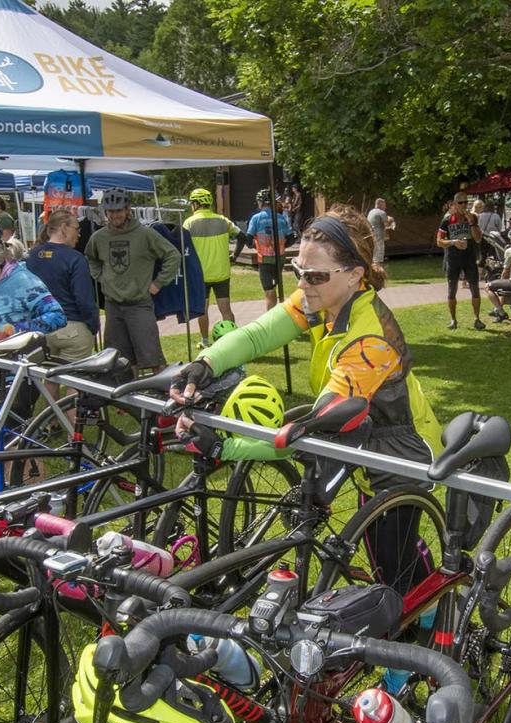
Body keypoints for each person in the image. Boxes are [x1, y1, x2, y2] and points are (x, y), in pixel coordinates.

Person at [169, 205, 441, 593]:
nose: (303, 284)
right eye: (297, 271)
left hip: (399, 447)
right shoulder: (322, 298)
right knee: (375, 548)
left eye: (314, 275)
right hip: (359, 431)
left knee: (392, 551)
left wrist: (228, 447)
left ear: (355, 275)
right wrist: (206, 364)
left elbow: (313, 432)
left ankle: (433, 617)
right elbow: (258, 334)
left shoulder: (370, 340)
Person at [84, 188, 181, 375]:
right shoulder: (99, 237)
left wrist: (157, 284)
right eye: (111, 211)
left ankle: (160, 396)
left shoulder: (144, 234)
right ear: (105, 212)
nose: (115, 215)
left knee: (152, 357)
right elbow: (90, 258)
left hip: (139, 304)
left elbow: (172, 255)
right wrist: (101, 277)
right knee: (120, 360)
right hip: (113, 306)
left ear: (128, 209)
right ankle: (128, 400)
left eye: (119, 210)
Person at [25, 208, 99, 363]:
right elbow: (84, 299)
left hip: (40, 328)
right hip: (72, 328)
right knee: (75, 380)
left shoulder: (32, 256)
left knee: (48, 378)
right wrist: (93, 326)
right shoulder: (75, 259)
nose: (79, 234)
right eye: (76, 229)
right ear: (64, 228)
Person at [183, 188, 240, 347]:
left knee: (202, 310)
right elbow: (242, 236)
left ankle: (205, 341)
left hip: (200, 274)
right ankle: (234, 341)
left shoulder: (188, 223)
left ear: (195, 204)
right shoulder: (223, 220)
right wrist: (235, 255)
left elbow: (182, 248)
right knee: (226, 309)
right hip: (222, 273)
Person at [437, 192, 485, 330]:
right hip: (453, 258)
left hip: (469, 257)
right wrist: (453, 242)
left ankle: (477, 319)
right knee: (452, 290)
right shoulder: (447, 219)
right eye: (461, 203)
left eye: (466, 202)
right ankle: (453, 320)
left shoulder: (472, 217)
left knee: (475, 288)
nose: (464, 205)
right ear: (455, 203)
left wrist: (472, 223)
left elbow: (477, 238)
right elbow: (439, 241)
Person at [246, 188, 294, 309]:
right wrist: (283, 246)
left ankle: (270, 317)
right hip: (280, 258)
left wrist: (252, 245)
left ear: (261, 202)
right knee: (275, 287)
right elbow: (291, 238)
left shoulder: (256, 218)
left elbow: (248, 237)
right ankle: (276, 313)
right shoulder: (281, 218)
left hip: (265, 259)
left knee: (269, 290)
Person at [367, 197, 395, 266]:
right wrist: (391, 219)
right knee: (378, 253)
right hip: (378, 234)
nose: (385, 207)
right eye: (384, 205)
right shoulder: (381, 212)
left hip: (370, 233)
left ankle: (373, 269)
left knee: (373, 253)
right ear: (380, 205)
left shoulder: (371, 211)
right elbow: (387, 224)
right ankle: (377, 270)